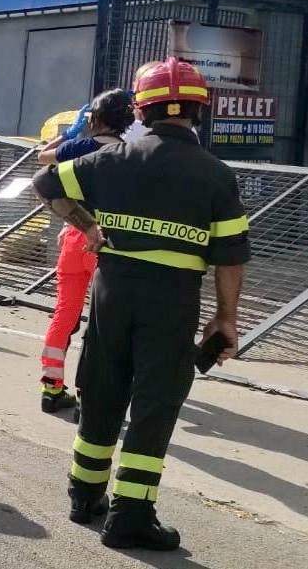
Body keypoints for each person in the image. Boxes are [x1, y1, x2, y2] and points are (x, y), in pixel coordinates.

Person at [33, 57, 249, 551]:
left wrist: (88, 226)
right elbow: (231, 254)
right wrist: (226, 317)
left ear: (140, 111)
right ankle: (131, 514)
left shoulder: (110, 160)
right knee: (154, 402)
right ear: (199, 109)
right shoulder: (215, 175)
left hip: (112, 290)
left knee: (102, 388)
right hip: (171, 300)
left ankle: (85, 495)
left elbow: (45, 184)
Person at [35, 89, 136, 415]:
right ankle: (87, 396)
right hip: (105, 242)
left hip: (73, 236)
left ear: (94, 119)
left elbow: (42, 158)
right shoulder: (128, 154)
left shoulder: (80, 147)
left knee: (65, 313)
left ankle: (51, 389)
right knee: (100, 322)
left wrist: (69, 133)